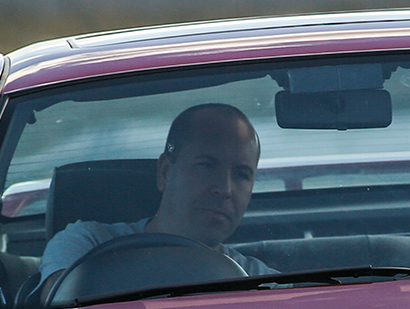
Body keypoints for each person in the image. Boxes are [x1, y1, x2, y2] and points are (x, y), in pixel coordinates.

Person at [38, 102, 276, 283]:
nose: (224, 189)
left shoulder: (258, 280)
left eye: (242, 174)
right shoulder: (86, 246)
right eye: (206, 166)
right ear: (164, 172)